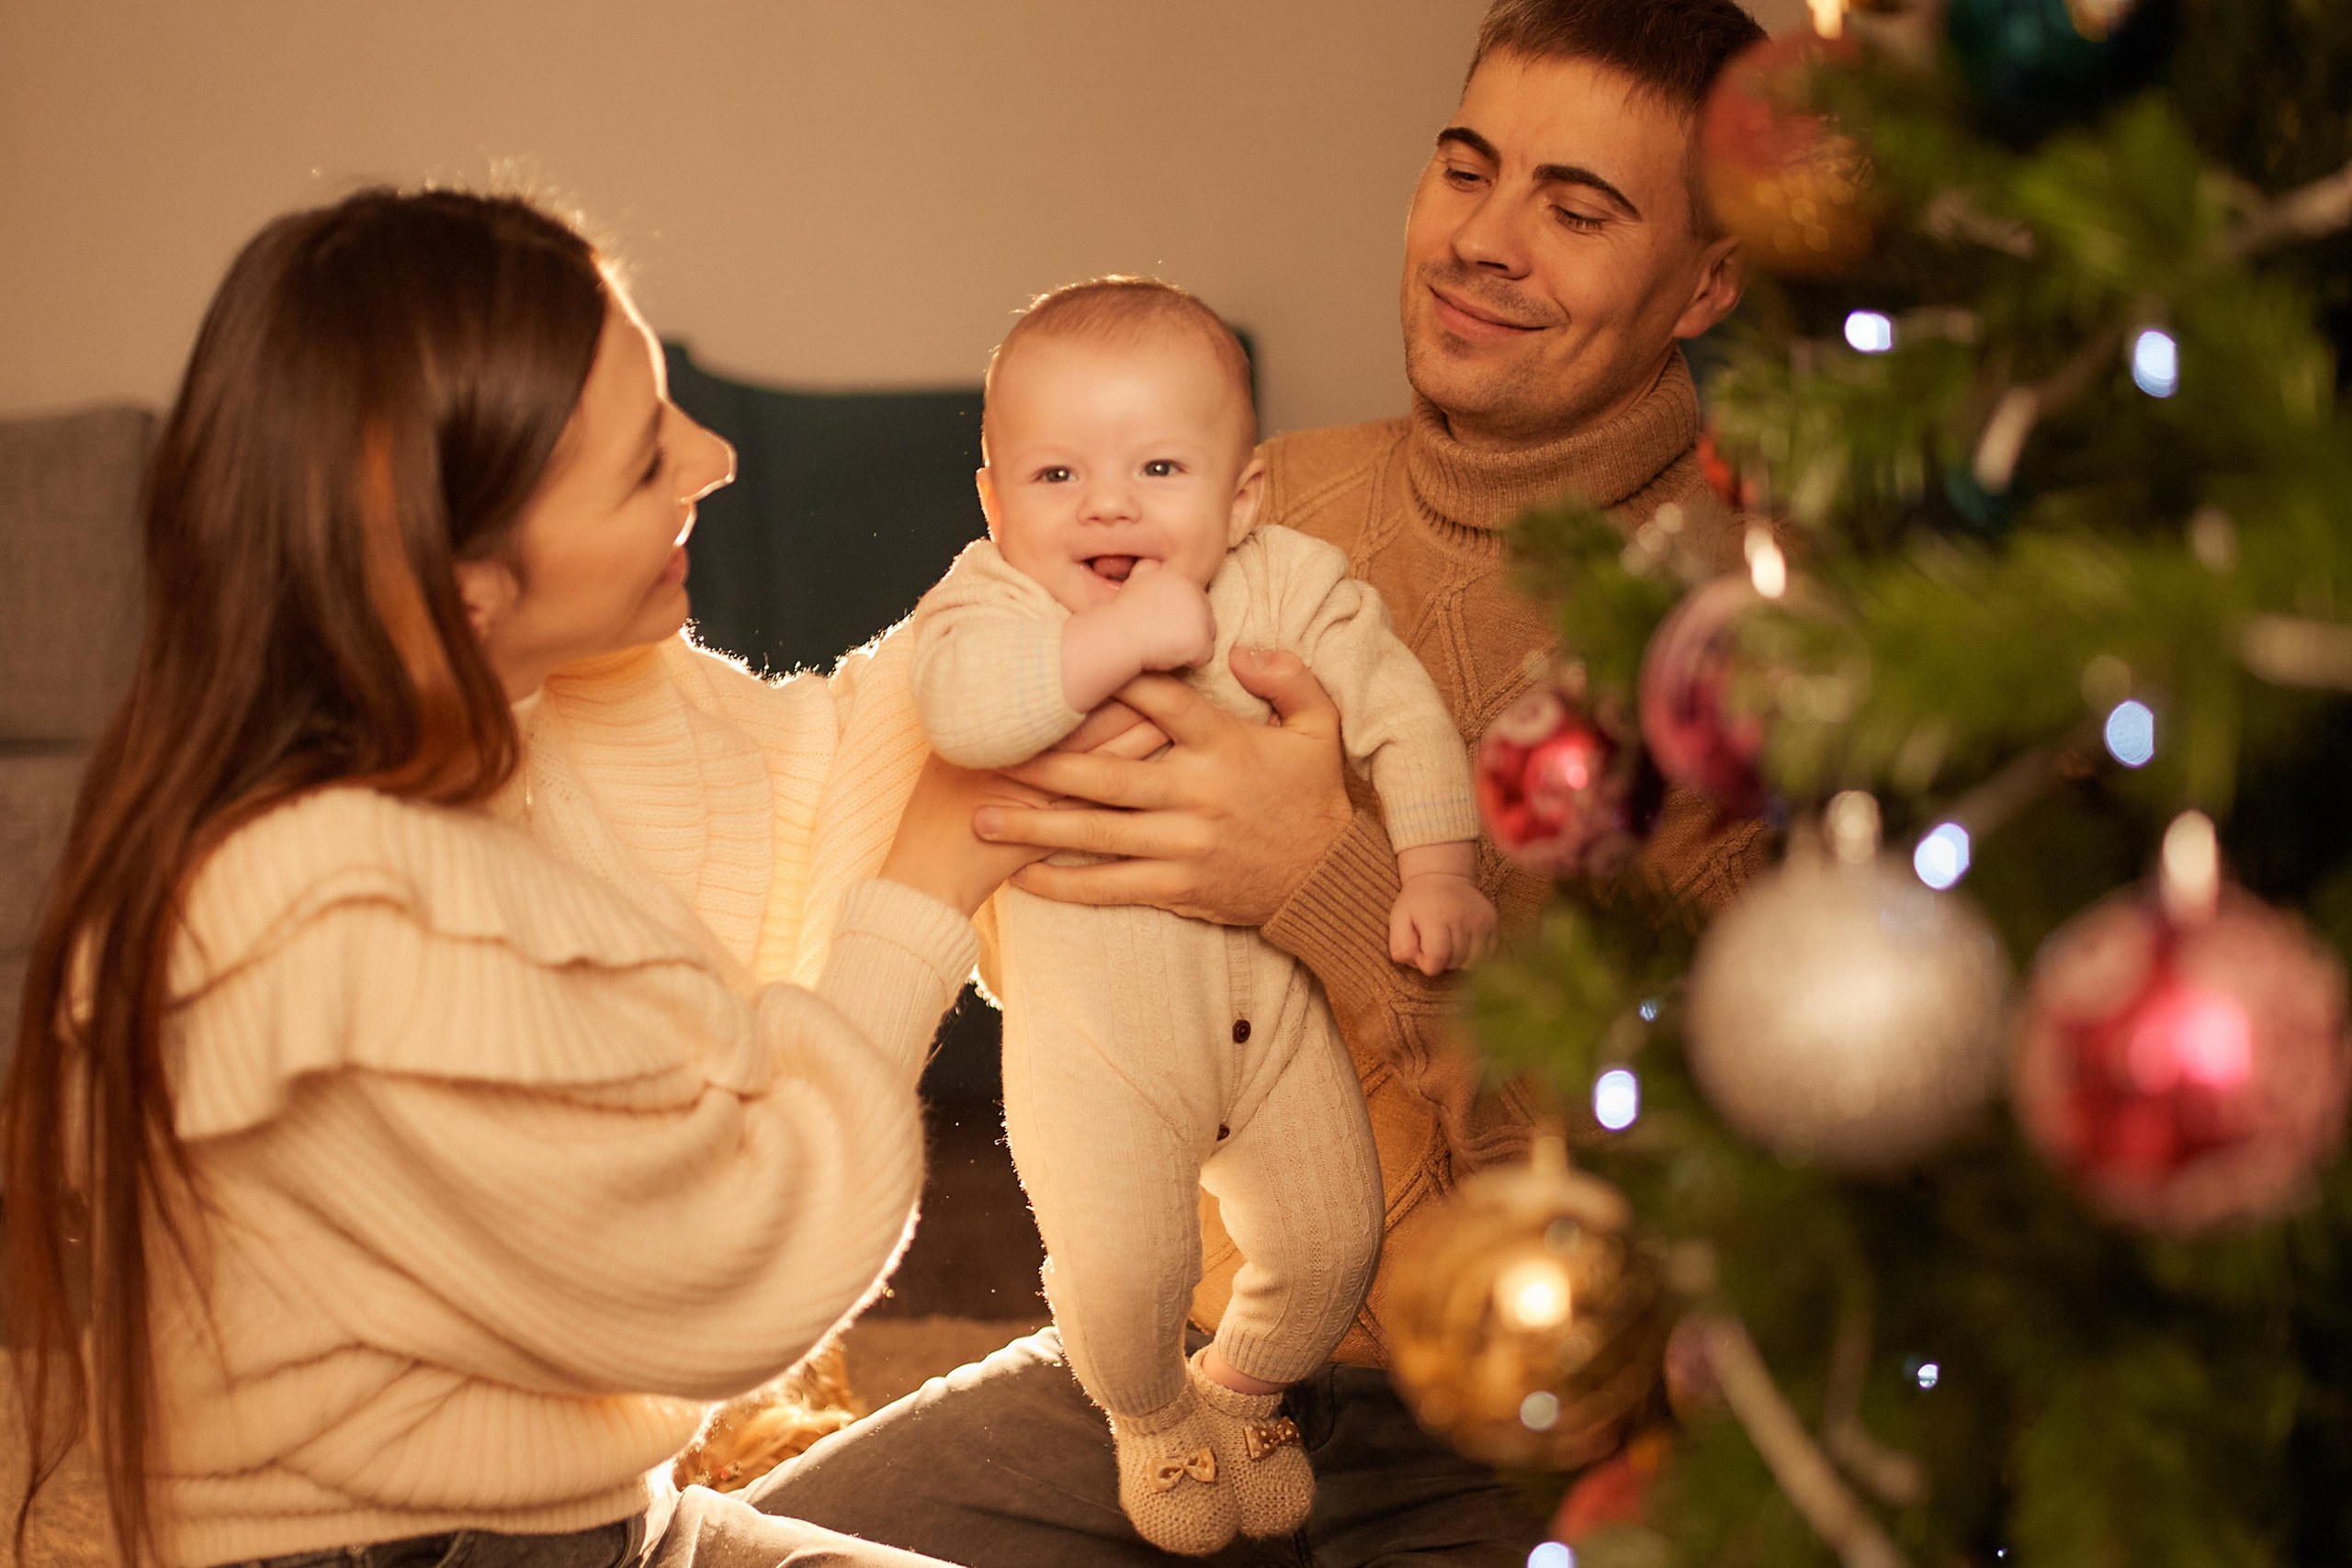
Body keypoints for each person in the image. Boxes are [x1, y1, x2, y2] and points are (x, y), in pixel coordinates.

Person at [752, 2, 1773, 1562]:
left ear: (1711, 277)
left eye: (1576, 209)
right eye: (1464, 168)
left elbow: (1692, 1184)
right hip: (1169, 1375)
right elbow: (950, 817)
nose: (1484, 241)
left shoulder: (1742, 642)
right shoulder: (1257, 504)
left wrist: (1326, 881)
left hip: (1527, 1432)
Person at [1, 188, 1046, 1568]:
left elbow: (803, 780)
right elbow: (736, 1256)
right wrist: (919, 899)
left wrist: (1040, 601)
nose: (716, 457)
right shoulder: (329, 926)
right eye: (638, 465)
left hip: (598, 1516)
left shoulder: (512, 709)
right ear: (467, 581)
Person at [906, 276, 1497, 1554]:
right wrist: (1116, 640)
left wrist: (1438, 872)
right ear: (995, 502)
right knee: (1121, 1283)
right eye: (1056, 476)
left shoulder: (1287, 584)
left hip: (1272, 1031)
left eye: (1159, 467)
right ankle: (1154, 1415)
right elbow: (960, 709)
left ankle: (1240, 1389)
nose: (1108, 504)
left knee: (1333, 1248)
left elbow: (1400, 715)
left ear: (1243, 498)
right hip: (1095, 1051)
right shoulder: (997, 599)